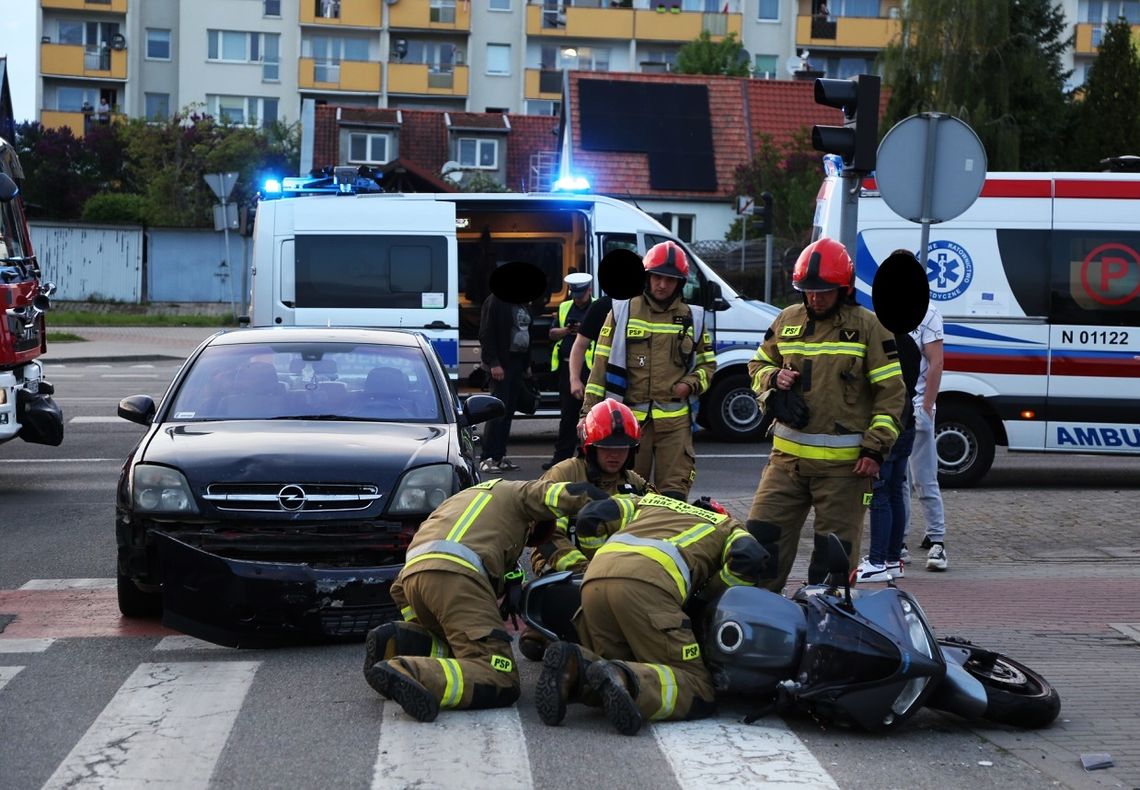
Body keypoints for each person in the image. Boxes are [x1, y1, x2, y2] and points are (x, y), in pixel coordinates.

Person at [362, 477, 611, 722]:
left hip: (411, 578)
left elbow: (400, 591)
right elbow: (559, 494)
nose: (528, 539)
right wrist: (619, 504)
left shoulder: (466, 500)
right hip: (456, 578)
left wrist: (423, 625)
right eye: (531, 534)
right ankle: (414, 672)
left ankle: (396, 642)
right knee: (499, 674)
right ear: (535, 519)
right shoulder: (519, 493)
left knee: (455, 642)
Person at [745, 237, 906, 592]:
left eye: (824, 291)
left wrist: (875, 449)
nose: (815, 298)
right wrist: (773, 379)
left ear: (844, 289)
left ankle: (823, 634)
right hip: (785, 464)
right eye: (808, 291)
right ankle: (757, 626)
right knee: (756, 546)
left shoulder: (868, 327)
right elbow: (757, 364)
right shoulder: (787, 319)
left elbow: (892, 393)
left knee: (832, 563)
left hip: (845, 471)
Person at [534, 493, 767, 735]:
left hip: (594, 583)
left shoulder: (648, 502)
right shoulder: (726, 524)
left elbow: (591, 517)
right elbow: (750, 557)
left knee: (620, 662)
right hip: (649, 588)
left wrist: (596, 562)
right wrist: (705, 598)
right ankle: (625, 677)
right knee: (699, 687)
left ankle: (574, 668)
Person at [581, 241, 716, 500]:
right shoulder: (622, 310)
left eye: (670, 279)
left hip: (675, 424)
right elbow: (600, 368)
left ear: (680, 283)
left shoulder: (693, 318)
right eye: (656, 277)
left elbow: (707, 364)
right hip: (629, 422)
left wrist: (690, 384)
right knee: (627, 494)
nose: (662, 284)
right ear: (646, 277)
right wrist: (587, 414)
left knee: (673, 497)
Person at [519, 398, 650, 661]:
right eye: (606, 448)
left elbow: (657, 513)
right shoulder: (565, 473)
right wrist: (583, 570)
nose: (615, 455)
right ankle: (547, 628)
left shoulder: (633, 482)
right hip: (565, 563)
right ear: (590, 447)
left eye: (622, 448)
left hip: (615, 567)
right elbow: (540, 532)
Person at [856, 330, 921, 583]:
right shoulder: (909, 343)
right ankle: (893, 560)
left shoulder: (884, 343)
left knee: (879, 495)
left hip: (889, 426)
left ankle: (876, 561)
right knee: (895, 491)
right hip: (907, 423)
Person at [906, 304, 949, 571]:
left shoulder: (927, 312)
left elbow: (936, 362)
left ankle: (937, 541)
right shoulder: (881, 312)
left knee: (922, 478)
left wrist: (926, 408)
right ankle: (902, 543)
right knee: (900, 481)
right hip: (893, 407)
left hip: (916, 406)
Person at [543, 272, 595, 470]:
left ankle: (589, 459)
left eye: (580, 295)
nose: (577, 298)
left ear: (588, 290)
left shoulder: (597, 307)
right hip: (567, 369)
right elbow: (552, 333)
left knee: (590, 415)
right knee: (567, 416)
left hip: (590, 369)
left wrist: (584, 330)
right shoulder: (565, 307)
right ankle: (561, 460)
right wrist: (567, 331)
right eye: (574, 294)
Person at [477, 290, 531, 473]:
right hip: (501, 364)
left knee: (508, 412)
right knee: (496, 412)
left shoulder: (521, 302)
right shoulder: (495, 300)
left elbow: (523, 331)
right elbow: (486, 333)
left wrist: (526, 365)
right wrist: (494, 363)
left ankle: (499, 456)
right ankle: (487, 458)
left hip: (516, 362)